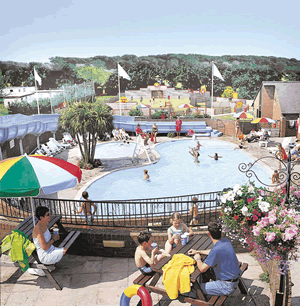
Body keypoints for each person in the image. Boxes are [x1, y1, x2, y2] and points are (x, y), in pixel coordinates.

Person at [188, 221, 242, 296]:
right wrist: (198, 251)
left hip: (227, 286)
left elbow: (202, 268)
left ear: (209, 234)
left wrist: (198, 258)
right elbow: (212, 251)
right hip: (234, 278)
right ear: (221, 233)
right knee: (207, 273)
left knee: (195, 289)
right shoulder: (226, 241)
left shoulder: (216, 251)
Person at [28, 206, 67, 276]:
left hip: (50, 249)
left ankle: (49, 266)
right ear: (41, 217)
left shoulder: (45, 224)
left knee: (65, 249)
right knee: (64, 250)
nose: (50, 215)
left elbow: (46, 239)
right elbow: (44, 247)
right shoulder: (38, 229)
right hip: (44, 255)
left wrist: (53, 237)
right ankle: (41, 269)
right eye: (47, 214)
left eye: (49, 214)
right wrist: (54, 239)